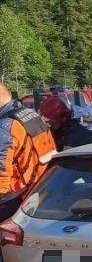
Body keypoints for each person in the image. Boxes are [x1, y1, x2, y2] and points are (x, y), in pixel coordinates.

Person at [0, 83, 57, 221]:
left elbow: (1, 175)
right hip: (41, 191)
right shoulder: (31, 115)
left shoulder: (5, 127)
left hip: (13, 201)